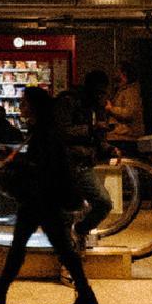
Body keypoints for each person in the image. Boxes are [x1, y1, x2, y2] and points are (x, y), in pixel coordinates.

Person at [0, 86, 98, 304]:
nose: (20, 106)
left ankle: (85, 293)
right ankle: (1, 291)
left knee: (52, 247)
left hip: (43, 198)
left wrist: (15, 163)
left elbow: (43, 166)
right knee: (31, 245)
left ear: (34, 106)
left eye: (24, 102)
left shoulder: (45, 132)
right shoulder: (43, 129)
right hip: (41, 197)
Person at [54, 70, 114, 251]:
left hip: (82, 162)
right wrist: (90, 129)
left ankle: (78, 233)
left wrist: (108, 148)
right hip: (66, 162)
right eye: (99, 91)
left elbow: (96, 138)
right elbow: (61, 131)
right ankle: (70, 253)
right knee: (72, 209)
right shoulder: (69, 101)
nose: (102, 96)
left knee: (99, 204)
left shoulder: (95, 106)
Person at [105, 61, 145, 158]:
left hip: (126, 136)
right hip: (121, 135)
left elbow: (129, 113)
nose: (114, 74)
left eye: (117, 71)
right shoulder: (122, 90)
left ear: (124, 73)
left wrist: (111, 109)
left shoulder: (131, 91)